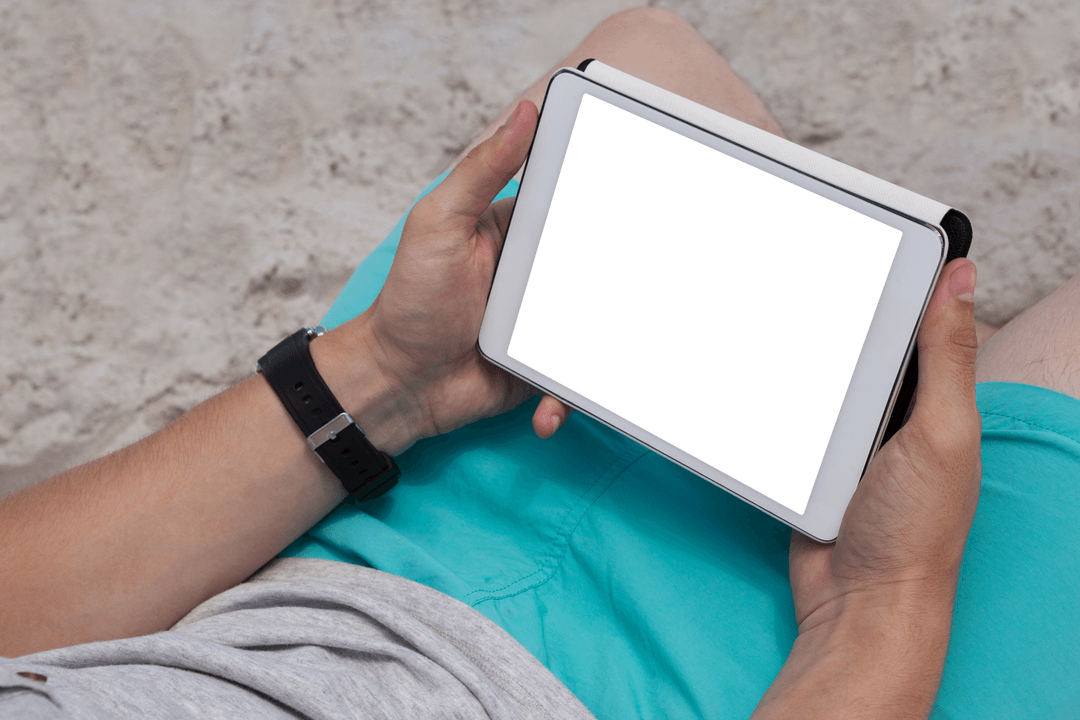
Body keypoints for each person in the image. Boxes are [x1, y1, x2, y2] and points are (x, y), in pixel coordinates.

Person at [1, 8, 1078, 719]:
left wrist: (382, 378)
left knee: (646, 62)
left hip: (331, 572)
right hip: (763, 677)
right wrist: (885, 603)